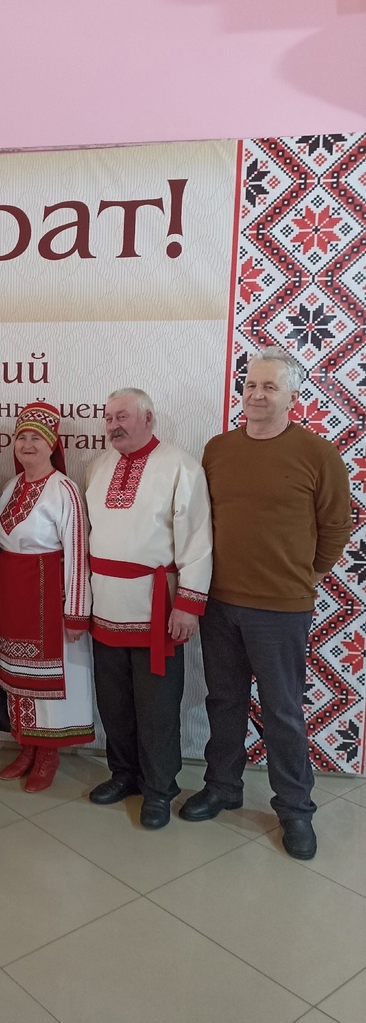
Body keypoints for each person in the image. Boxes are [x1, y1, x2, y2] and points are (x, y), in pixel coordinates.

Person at [181, 348, 351, 860]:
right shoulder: (218, 449)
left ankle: (295, 809)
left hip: (282, 608)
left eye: (269, 387)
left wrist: (304, 577)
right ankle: (222, 787)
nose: (256, 394)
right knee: (223, 700)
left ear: (292, 397)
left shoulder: (318, 454)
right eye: (251, 385)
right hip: (220, 601)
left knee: (282, 711)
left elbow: (336, 527)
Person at [85, 388, 212, 829]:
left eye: (122, 416)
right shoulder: (98, 467)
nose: (113, 425)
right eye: (108, 418)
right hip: (106, 605)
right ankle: (124, 775)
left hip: (156, 608)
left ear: (148, 418)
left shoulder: (180, 466)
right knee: (114, 701)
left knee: (157, 706)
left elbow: (197, 541)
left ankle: (159, 788)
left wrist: (188, 606)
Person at [0, 403, 95, 791]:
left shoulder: (63, 489)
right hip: (13, 593)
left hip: (49, 594)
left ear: (52, 444)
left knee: (50, 676)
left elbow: (78, 551)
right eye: (22, 437)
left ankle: (48, 752)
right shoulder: (11, 487)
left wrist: (76, 612)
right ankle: (27, 745)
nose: (28, 444)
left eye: (37, 437)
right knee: (18, 673)